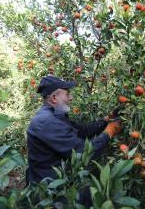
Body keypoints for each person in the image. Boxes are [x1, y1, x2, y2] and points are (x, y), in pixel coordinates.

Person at [26, 75, 121, 207]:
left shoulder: (55, 116)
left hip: (62, 181)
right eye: (67, 94)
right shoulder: (47, 122)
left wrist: (105, 121)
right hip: (52, 190)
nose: (70, 98)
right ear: (54, 98)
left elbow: (81, 131)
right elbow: (82, 153)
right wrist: (109, 133)